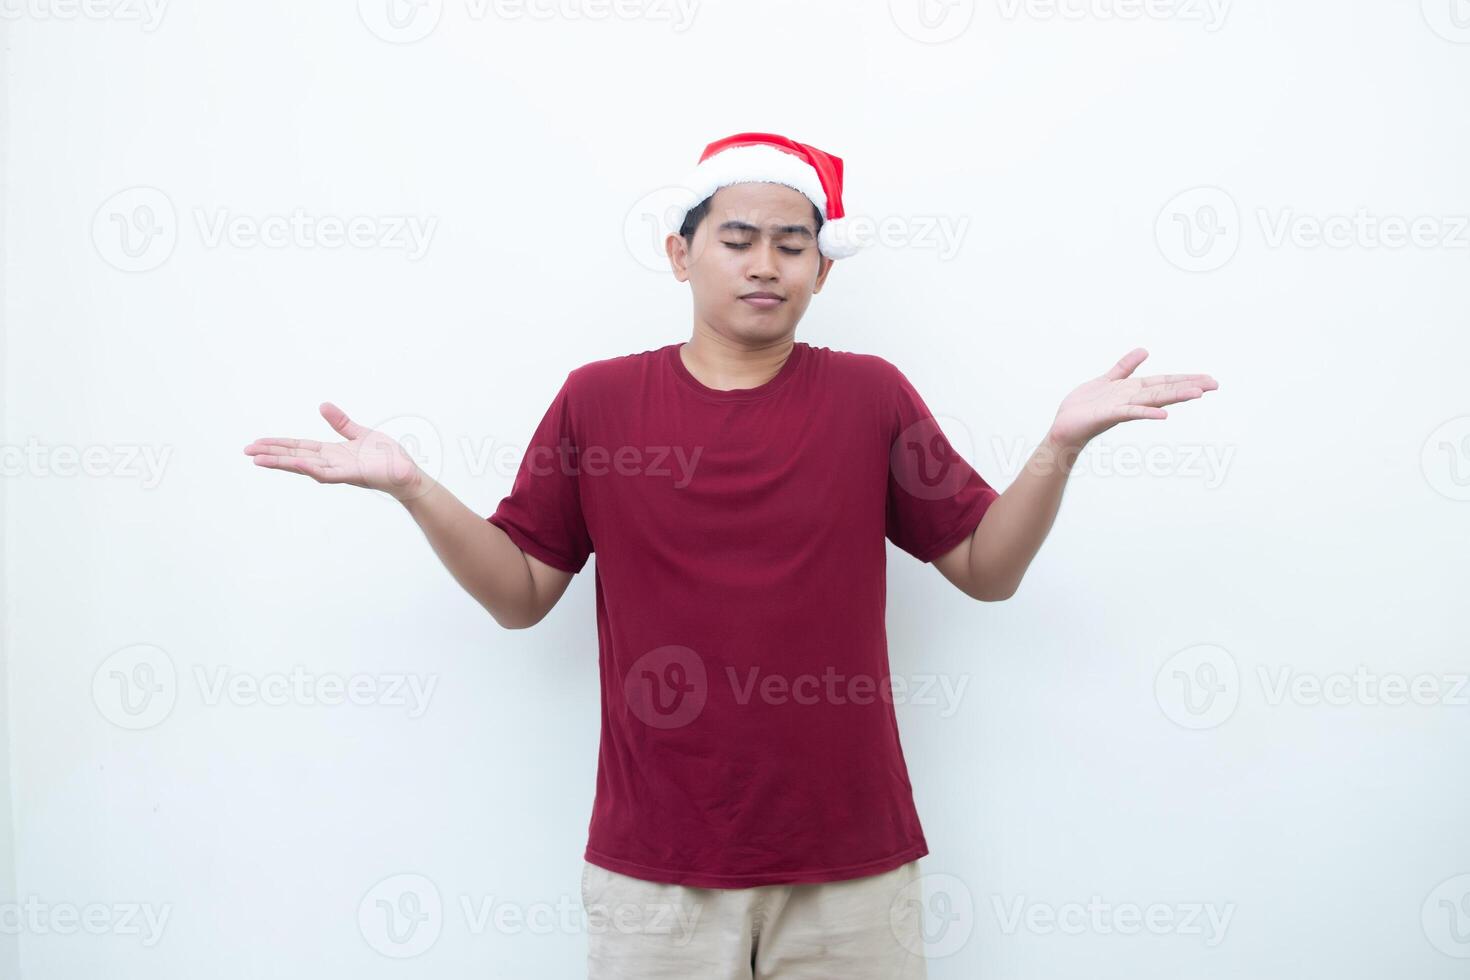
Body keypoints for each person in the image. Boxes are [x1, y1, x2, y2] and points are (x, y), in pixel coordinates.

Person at [244, 132, 1219, 979]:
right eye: (738, 239)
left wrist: (1059, 445)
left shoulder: (870, 395)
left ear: (822, 270)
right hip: (655, 870)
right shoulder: (599, 400)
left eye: (793, 244)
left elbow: (985, 568)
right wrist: (414, 487)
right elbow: (521, 590)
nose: (766, 264)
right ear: (681, 253)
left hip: (853, 866)